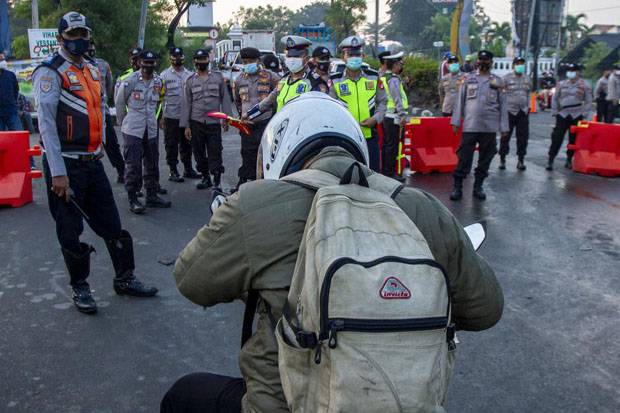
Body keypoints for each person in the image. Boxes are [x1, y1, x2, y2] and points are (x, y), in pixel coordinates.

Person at [162, 92, 503, 412]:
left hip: (286, 404)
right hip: (404, 404)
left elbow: (191, 281)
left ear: (279, 150)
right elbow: (486, 310)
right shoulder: (424, 208)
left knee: (183, 394)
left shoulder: (253, 204)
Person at [33, 12, 157, 314]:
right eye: (72, 34)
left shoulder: (91, 69)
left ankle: (124, 278)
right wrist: (57, 172)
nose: (79, 39)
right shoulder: (50, 71)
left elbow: (99, 107)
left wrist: (99, 144)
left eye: (83, 33)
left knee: (111, 223)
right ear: (61, 38)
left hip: (91, 161)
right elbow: (46, 125)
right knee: (70, 229)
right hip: (65, 164)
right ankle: (80, 287)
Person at [115, 49, 171, 213]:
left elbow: (161, 101)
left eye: (152, 63)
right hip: (133, 128)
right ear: (139, 63)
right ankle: (133, 198)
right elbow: (119, 103)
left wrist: (160, 118)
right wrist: (123, 122)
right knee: (133, 164)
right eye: (146, 62)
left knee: (152, 162)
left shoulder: (158, 81)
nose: (149, 66)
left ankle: (151, 195)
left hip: (151, 127)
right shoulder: (130, 81)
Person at [450, 50, 508, 201]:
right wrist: (456, 121)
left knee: (485, 158)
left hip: (489, 127)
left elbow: (503, 105)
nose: (483, 62)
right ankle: (457, 187)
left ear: (491, 62)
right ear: (477, 61)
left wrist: (504, 127)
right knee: (464, 157)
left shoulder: (498, 82)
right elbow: (460, 101)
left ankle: (478, 186)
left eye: (486, 60)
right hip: (471, 125)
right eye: (480, 59)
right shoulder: (468, 79)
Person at [329, 35, 386, 172]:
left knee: (373, 176)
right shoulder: (335, 80)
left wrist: (375, 119)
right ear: (343, 57)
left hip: (370, 138)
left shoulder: (373, 77)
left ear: (363, 56)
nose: (354, 58)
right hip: (346, 139)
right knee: (348, 176)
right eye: (350, 54)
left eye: (357, 54)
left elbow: (383, 102)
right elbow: (330, 109)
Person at [180, 48, 232, 190]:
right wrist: (186, 126)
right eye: (199, 60)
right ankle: (205, 177)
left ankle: (217, 177)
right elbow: (186, 104)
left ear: (208, 61)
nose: (202, 62)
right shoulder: (190, 80)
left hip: (214, 122)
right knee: (199, 152)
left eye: (204, 59)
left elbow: (225, 99)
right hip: (196, 122)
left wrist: (227, 119)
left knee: (215, 150)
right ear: (195, 62)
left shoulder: (218, 77)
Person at [232, 47, 280, 189]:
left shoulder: (271, 77)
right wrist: (242, 115)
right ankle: (245, 182)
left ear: (258, 60)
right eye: (245, 62)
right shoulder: (239, 79)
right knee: (247, 153)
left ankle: (263, 184)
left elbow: (278, 96)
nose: (248, 64)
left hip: (265, 123)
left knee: (265, 154)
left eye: (251, 61)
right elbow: (237, 101)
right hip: (247, 124)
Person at [245, 36, 314, 121]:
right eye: (289, 56)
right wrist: (249, 115)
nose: (292, 60)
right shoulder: (284, 80)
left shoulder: (313, 82)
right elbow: (268, 102)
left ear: (307, 59)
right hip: (281, 126)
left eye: (296, 57)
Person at [87, 40, 125, 183]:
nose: (90, 50)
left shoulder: (103, 65)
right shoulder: (75, 66)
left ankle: (122, 170)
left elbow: (109, 85)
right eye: (88, 48)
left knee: (111, 142)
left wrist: (103, 101)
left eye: (92, 48)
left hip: (102, 109)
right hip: (84, 111)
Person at [160, 47, 199, 183]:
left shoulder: (190, 75)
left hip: (186, 117)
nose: (177, 59)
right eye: (174, 56)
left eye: (179, 56)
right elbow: (160, 98)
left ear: (183, 57)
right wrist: (161, 116)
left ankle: (188, 169)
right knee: (171, 144)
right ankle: (173, 171)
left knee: (187, 144)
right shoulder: (164, 76)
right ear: (170, 58)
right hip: (170, 116)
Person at [546, 63, 592, 171]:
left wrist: (584, 114)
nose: (571, 72)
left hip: (576, 114)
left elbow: (589, 100)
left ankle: (569, 159)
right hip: (563, 114)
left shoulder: (584, 85)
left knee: (574, 139)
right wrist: (554, 111)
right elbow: (555, 98)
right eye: (569, 70)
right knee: (557, 138)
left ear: (578, 72)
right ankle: (551, 159)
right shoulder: (561, 84)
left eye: (573, 70)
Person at [380, 51, 409, 179]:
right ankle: (390, 173)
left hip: (387, 116)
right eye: (400, 64)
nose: (401, 67)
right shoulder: (393, 79)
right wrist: (402, 115)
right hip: (394, 116)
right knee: (392, 146)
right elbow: (397, 99)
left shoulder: (384, 77)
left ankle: (387, 171)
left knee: (388, 145)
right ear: (395, 65)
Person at [499, 56, 531, 171]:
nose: (520, 66)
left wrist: (528, 107)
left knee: (523, 138)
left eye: (522, 64)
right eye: (518, 64)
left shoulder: (527, 78)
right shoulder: (506, 78)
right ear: (513, 65)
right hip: (509, 111)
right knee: (505, 136)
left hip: (523, 112)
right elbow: (501, 94)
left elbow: (528, 94)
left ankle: (521, 160)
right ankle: (502, 159)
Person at [0, 53, 23, 131]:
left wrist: (12, 102)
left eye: (3, 60)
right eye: (1, 60)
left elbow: (16, 90)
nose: (3, 62)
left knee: (18, 133)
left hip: (11, 110)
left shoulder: (10, 75)